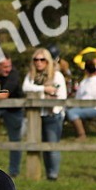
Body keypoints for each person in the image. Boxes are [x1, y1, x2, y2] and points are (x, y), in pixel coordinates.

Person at [22, 47, 67, 180]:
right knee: (35, 145)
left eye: (42, 59)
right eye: (36, 59)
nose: (39, 62)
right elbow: (26, 88)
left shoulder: (57, 75)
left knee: (52, 146)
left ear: (48, 61)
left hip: (53, 114)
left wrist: (41, 93)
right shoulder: (31, 75)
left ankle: (52, 175)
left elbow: (61, 96)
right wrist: (44, 89)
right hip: (36, 115)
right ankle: (37, 173)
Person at [67, 60, 96, 141]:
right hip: (84, 106)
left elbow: (87, 97)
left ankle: (81, 135)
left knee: (72, 112)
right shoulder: (87, 80)